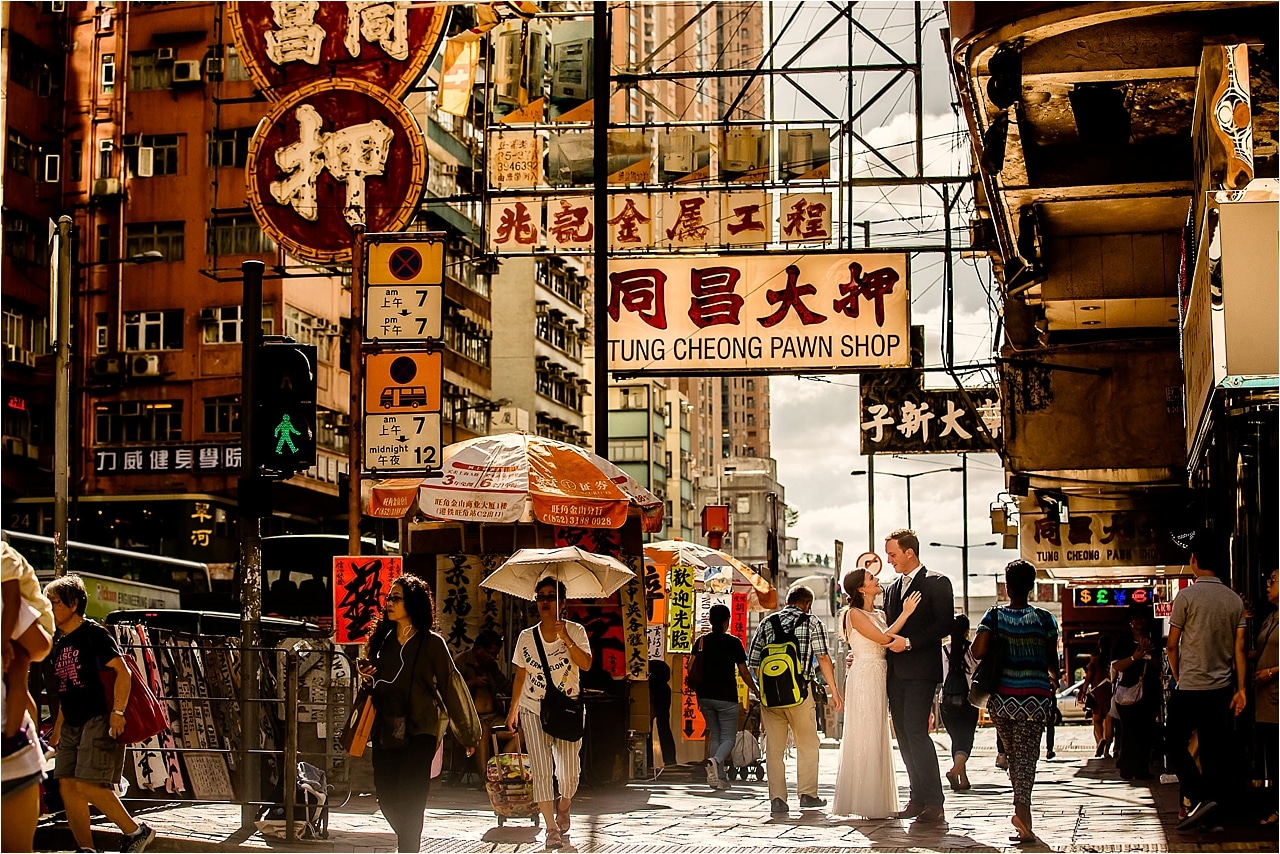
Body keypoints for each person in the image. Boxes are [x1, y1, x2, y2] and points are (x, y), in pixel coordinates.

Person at [357, 574, 479, 853]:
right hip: (387, 729)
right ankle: (409, 841)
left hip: (421, 730)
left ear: (413, 603)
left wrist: (467, 732)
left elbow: (451, 685)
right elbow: (374, 682)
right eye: (389, 598)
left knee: (412, 797)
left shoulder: (432, 643)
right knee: (385, 794)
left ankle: (408, 849)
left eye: (396, 598)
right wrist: (365, 674)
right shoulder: (382, 640)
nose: (389, 603)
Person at [44, 574, 155, 853]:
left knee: (88, 784)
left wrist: (118, 712)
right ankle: (86, 849)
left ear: (73, 604)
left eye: (54, 602)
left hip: (97, 718)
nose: (50, 608)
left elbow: (123, 672)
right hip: (72, 723)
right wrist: (57, 730)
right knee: (67, 785)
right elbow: (66, 690)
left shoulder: (93, 634)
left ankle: (136, 832)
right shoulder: (61, 643)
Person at [972, 559, 1060, 845]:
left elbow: (978, 651)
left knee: (1014, 756)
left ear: (1007, 587)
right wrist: (1051, 676)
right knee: (1026, 756)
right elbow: (1053, 662)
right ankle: (1022, 811)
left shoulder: (994, 616)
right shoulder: (1045, 619)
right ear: (1032, 587)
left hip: (1002, 700)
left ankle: (1023, 816)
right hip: (1035, 700)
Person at [1166, 530, 1247, 832]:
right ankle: (1212, 819)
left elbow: (1172, 645)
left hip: (1189, 687)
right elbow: (1240, 648)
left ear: (1194, 560)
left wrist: (1179, 675)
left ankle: (1200, 797)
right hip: (1221, 689)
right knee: (1214, 753)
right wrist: (1241, 689)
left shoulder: (1186, 597)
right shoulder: (1233, 600)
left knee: (1174, 744)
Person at [505, 578, 591, 850]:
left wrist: (566, 638)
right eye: (540, 596)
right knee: (541, 770)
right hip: (533, 708)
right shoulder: (526, 637)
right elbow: (520, 675)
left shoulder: (575, 631)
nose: (545, 601)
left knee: (569, 773)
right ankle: (551, 828)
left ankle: (564, 804)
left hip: (567, 710)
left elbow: (586, 664)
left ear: (562, 602)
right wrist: (513, 710)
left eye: (551, 596)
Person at [748, 585, 843, 816]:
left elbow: (754, 662)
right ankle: (807, 795)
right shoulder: (812, 622)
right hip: (800, 693)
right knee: (807, 744)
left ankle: (777, 799)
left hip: (771, 698)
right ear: (808, 604)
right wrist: (835, 691)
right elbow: (823, 657)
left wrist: (766, 688)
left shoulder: (767, 623)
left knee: (774, 748)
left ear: (787, 602)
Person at [832, 567, 918, 818]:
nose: (877, 579)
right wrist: (906, 613)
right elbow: (883, 639)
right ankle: (864, 800)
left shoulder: (880, 613)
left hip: (880, 674)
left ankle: (875, 800)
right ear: (861, 588)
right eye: (871, 578)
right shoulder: (853, 614)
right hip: (864, 676)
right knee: (866, 732)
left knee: (878, 733)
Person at [882, 529, 954, 825]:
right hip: (894, 673)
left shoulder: (938, 582)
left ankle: (935, 802)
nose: (889, 561)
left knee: (915, 731)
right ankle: (917, 797)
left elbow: (945, 624)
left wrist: (910, 643)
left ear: (909, 552)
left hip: (921, 672)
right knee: (903, 734)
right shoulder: (891, 588)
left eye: (892, 554)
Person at [2, 545, 52, 854]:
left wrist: (5, 641)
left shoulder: (4, 561)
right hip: (11, 759)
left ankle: (19, 736)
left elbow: (12, 599)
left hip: (11, 759)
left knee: (19, 674)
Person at [694, 603, 759, 791]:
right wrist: (755, 690)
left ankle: (719, 778)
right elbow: (744, 673)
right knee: (729, 738)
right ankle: (714, 761)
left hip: (705, 696)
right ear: (726, 621)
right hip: (726, 697)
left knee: (715, 735)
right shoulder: (733, 642)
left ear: (710, 620)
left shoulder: (701, 641)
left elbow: (691, 667)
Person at [2, 541, 55, 741]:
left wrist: (3, 642)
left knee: (17, 679)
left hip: (35, 625)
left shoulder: (3, 554)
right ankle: (34, 739)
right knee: (18, 685)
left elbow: (13, 601)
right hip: (18, 624)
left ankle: (12, 738)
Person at [1110, 602, 1161, 780]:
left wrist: (1149, 655)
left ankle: (1142, 769)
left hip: (1150, 691)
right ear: (1130, 621)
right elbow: (1116, 665)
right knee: (1129, 731)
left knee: (1146, 731)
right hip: (1128, 692)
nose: (1139, 621)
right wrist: (1134, 657)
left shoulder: (1155, 638)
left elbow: (1161, 664)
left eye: (1142, 617)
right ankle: (1126, 767)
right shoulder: (1122, 641)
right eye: (1135, 618)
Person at [457, 629, 515, 774]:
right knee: (482, 730)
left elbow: (505, 685)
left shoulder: (491, 666)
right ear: (479, 648)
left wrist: (521, 687)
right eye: (490, 653)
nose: (493, 657)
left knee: (518, 732)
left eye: (495, 655)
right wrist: (472, 683)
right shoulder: (461, 662)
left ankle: (499, 768)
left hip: (493, 716)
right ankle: (485, 775)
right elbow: (451, 689)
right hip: (470, 717)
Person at [939, 614, 978, 792]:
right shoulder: (972, 651)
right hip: (968, 701)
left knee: (957, 739)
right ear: (966, 631)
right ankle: (955, 770)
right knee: (966, 739)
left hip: (946, 702)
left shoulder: (943, 651)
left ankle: (963, 779)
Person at [1251, 569, 1278, 826]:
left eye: (1273, 580)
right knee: (1272, 752)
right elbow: (1259, 652)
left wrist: (1271, 672)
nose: (1268, 584)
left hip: (1276, 694)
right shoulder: (1271, 617)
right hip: (1265, 698)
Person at [1082, 636, 1114, 758]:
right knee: (1109, 722)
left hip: (1098, 692)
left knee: (1097, 720)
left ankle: (1100, 740)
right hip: (1111, 692)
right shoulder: (1113, 660)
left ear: (1100, 647)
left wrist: (1083, 691)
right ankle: (1106, 751)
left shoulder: (1095, 660)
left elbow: (1088, 678)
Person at [647, 659, 677, 771]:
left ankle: (648, 762)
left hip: (651, 691)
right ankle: (670, 760)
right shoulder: (665, 687)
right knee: (664, 727)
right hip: (663, 692)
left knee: (647, 731)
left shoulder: (648, 680)